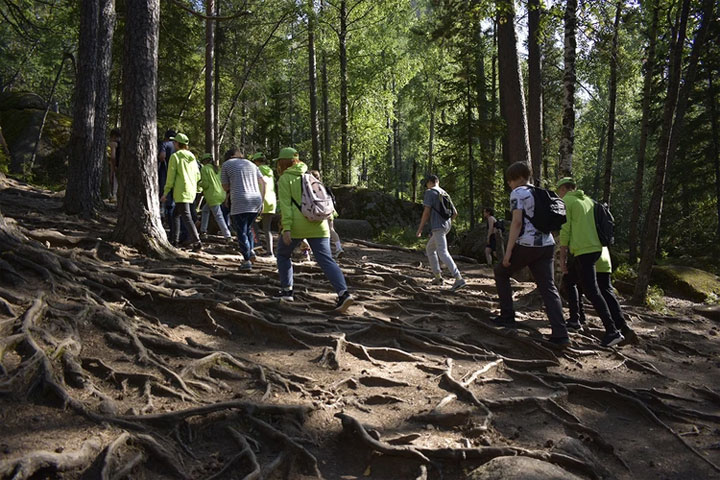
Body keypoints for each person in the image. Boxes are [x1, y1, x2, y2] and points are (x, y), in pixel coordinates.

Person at [492, 162, 568, 347]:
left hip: (527, 244)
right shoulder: (540, 192)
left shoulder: (518, 193)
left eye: (509, 180)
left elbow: (517, 223)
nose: (509, 184)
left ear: (516, 178)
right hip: (547, 245)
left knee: (501, 272)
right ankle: (561, 334)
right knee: (548, 288)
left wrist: (508, 252)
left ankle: (507, 316)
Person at [556, 177, 637, 347]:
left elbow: (565, 231)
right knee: (570, 281)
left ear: (563, 189)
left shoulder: (567, 202)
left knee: (593, 291)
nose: (559, 195)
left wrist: (562, 258)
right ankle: (576, 319)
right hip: (596, 250)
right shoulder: (588, 201)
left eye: (559, 192)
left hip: (583, 251)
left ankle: (612, 331)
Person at [274, 147, 353, 312]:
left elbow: (286, 207)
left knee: (283, 254)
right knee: (326, 260)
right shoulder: (309, 175)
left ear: (282, 162)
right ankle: (344, 294)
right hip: (319, 223)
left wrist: (286, 228)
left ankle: (287, 291)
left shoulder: (284, 179)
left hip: (296, 225)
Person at [416, 175, 466, 291]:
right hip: (446, 226)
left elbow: (426, 212)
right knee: (430, 248)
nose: (426, 187)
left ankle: (459, 278)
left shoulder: (430, 192)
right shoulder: (444, 193)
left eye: (426, 184)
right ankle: (438, 277)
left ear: (430, 182)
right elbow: (455, 213)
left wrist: (420, 228)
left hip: (439, 227)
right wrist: (446, 223)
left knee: (443, 252)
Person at [221, 147, 265, 271]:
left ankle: (246, 260)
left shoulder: (226, 165)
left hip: (240, 200)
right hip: (255, 200)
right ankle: (251, 252)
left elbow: (225, 187)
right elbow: (263, 182)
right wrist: (262, 200)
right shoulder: (251, 164)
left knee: (241, 231)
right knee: (249, 228)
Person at [160, 133, 202, 251]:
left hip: (180, 191)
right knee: (175, 215)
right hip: (191, 190)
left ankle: (197, 241)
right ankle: (175, 240)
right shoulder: (192, 157)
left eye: (174, 143)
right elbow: (198, 175)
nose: (173, 144)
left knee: (186, 215)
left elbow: (171, 176)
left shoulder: (175, 156)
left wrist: (165, 192)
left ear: (177, 144)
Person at [310, 170, 344, 259]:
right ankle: (338, 248)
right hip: (330, 211)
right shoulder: (324, 186)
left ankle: (319, 251)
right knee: (331, 229)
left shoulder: (312, 187)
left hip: (319, 212)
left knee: (319, 232)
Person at [198, 153, 232, 241]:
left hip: (212, 195)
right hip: (221, 194)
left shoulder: (205, 169)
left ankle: (227, 236)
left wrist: (198, 183)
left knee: (218, 216)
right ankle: (203, 231)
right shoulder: (217, 169)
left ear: (205, 161)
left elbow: (205, 184)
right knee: (205, 210)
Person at [252, 152, 277, 257]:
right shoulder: (270, 171)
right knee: (267, 229)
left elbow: (261, 185)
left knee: (251, 224)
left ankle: (256, 245)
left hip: (261, 200)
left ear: (256, 161)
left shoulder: (258, 170)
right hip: (271, 201)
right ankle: (270, 251)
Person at [108, 128, 121, 201]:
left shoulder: (114, 144)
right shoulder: (124, 143)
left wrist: (114, 166)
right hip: (124, 165)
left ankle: (115, 196)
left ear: (113, 136)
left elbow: (113, 157)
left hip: (118, 165)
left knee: (116, 182)